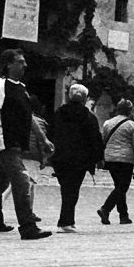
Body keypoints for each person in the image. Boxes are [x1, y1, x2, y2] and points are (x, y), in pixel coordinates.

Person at [0, 49, 50, 240]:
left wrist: (43, 138)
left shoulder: (21, 87)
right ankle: (27, 226)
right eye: (20, 62)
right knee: (22, 181)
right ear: (9, 65)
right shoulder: (0, 86)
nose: (25, 65)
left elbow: (28, 116)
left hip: (16, 144)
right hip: (5, 142)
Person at [49, 83, 105, 232]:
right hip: (80, 159)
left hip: (60, 157)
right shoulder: (88, 117)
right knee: (72, 189)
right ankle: (65, 221)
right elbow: (95, 139)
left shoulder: (59, 113)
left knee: (66, 188)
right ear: (85, 98)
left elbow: (51, 133)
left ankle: (68, 219)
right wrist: (98, 158)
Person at [96, 95, 134, 226]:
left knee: (119, 186)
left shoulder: (107, 123)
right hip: (126, 159)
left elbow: (104, 140)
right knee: (123, 186)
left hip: (110, 158)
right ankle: (105, 208)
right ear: (129, 111)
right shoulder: (132, 125)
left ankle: (124, 215)